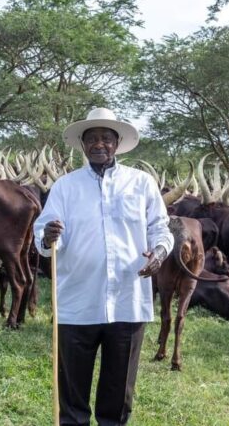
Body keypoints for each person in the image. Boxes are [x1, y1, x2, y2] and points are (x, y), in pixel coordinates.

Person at [34, 107, 174, 426]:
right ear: (83, 145)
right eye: (92, 138)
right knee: (72, 397)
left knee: (118, 396)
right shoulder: (65, 187)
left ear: (117, 143)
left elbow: (160, 228)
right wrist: (48, 236)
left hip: (128, 302)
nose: (99, 144)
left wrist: (160, 253)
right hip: (77, 303)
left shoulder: (141, 183)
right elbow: (42, 236)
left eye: (106, 138)